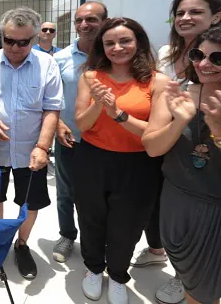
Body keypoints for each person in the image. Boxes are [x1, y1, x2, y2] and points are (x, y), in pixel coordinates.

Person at [136, 0, 221, 304]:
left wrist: (217, 130)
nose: (205, 63)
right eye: (198, 56)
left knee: (204, 288)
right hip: (177, 192)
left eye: (217, 57)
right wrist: (180, 120)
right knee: (189, 272)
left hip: (213, 203)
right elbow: (153, 145)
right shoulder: (177, 86)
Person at [74, 17, 169, 304]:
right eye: (109, 43)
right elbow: (82, 124)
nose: (117, 48)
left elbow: (154, 133)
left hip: (137, 165)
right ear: (101, 47)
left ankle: (117, 275)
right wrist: (100, 105)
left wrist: (118, 114)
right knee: (91, 219)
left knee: (127, 225)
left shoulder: (157, 81)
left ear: (138, 41)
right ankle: (93, 269)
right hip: (93, 159)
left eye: (125, 40)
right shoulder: (90, 77)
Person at [0, 7, 62, 280]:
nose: (16, 47)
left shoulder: (47, 65)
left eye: (24, 42)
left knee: (30, 202)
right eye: (10, 41)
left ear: (34, 38)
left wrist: (42, 147)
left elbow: (52, 109)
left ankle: (21, 245)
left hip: (31, 150)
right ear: (2, 36)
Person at [52, 1, 108, 263]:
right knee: (66, 192)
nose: (84, 25)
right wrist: (59, 124)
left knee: (102, 195)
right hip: (70, 138)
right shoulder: (60, 59)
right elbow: (51, 99)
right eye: (79, 20)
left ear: (105, 22)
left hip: (108, 142)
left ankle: (96, 239)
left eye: (92, 19)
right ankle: (66, 235)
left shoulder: (115, 55)